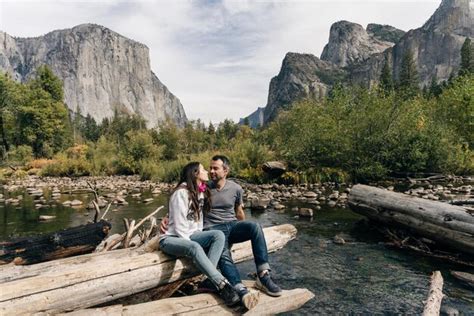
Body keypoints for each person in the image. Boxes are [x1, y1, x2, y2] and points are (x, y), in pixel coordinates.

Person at [161, 155, 282, 307]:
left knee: (255, 227)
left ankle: (263, 275)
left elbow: (239, 212)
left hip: (231, 225)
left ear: (226, 171)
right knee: (223, 250)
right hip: (211, 228)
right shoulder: (204, 188)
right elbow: (183, 206)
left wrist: (242, 229)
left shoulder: (236, 188)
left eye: (215, 168)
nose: (211, 171)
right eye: (209, 168)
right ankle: (239, 288)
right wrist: (167, 217)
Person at [159, 162, 240, 307]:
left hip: (190, 235)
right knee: (195, 247)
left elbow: (198, 220)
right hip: (171, 239)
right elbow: (178, 225)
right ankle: (222, 284)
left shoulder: (200, 191)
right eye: (203, 169)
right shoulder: (181, 193)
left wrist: (200, 237)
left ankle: (208, 280)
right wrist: (192, 245)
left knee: (218, 235)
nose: (207, 172)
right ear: (195, 173)